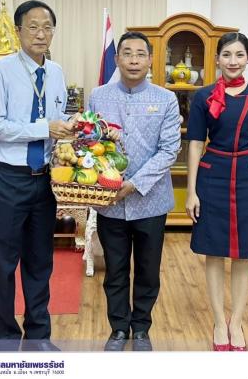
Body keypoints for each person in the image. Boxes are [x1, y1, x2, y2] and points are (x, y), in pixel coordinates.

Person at [0, 0, 78, 351]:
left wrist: (70, 129)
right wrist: (43, 128)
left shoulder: (57, 72)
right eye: (33, 27)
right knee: (4, 262)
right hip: (10, 178)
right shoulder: (2, 70)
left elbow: (57, 122)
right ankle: (5, 339)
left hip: (45, 179)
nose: (41, 34)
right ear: (18, 31)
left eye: (47, 27)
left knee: (40, 261)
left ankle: (38, 336)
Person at [88, 31, 181, 351]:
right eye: (127, 53)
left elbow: (169, 151)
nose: (133, 60)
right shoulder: (98, 96)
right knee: (115, 270)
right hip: (109, 202)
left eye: (140, 54)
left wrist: (134, 185)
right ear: (117, 59)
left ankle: (141, 328)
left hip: (151, 202)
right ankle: (118, 329)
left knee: (147, 271)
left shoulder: (165, 99)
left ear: (150, 60)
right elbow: (90, 141)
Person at [186, 32, 248, 351]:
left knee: (244, 253)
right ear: (217, 59)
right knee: (213, 251)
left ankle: (235, 322)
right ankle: (217, 321)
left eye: (239, 55)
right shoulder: (203, 96)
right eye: (226, 55)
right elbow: (195, 144)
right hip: (213, 176)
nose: (233, 61)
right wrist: (191, 191)